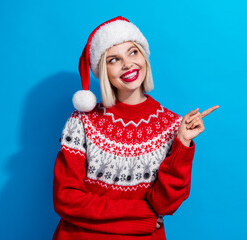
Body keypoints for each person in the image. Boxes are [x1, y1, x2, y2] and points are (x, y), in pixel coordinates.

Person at [52, 16, 219, 240]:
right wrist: (142, 216)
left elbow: (164, 204)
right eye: (113, 59)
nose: (127, 64)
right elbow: (67, 199)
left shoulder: (172, 125)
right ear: (104, 71)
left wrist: (183, 143)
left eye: (133, 52)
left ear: (144, 57)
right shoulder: (82, 122)